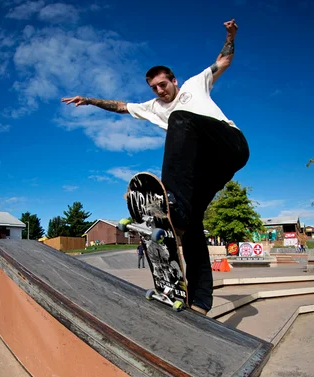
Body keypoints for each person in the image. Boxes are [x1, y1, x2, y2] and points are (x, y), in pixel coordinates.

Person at [62, 19, 249, 315]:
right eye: (154, 88)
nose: (160, 91)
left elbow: (223, 60)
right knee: (191, 225)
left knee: (180, 119)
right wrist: (89, 100)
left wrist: (230, 35)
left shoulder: (194, 85)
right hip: (209, 169)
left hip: (230, 145)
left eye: (163, 84)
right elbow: (122, 106)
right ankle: (200, 301)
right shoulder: (151, 107)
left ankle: (172, 201)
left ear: (173, 80)